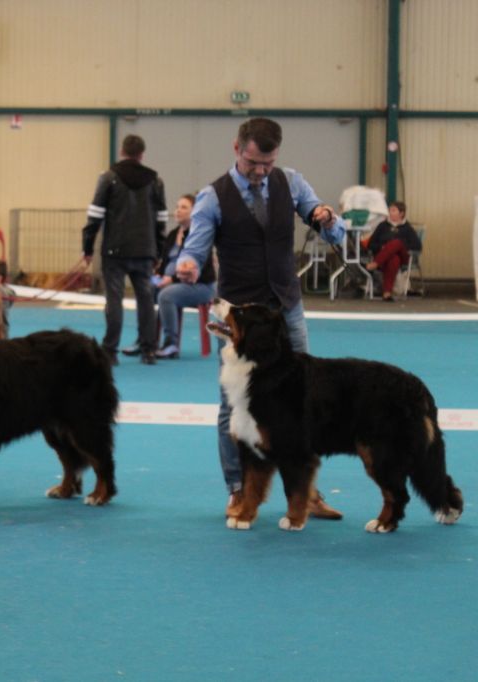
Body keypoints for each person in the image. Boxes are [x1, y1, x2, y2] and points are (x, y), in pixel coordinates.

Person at [175, 117, 346, 521]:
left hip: (286, 307)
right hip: (241, 317)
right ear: (237, 148)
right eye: (254, 162)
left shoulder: (292, 182)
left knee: (300, 400)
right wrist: (187, 263)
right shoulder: (213, 197)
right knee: (233, 406)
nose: (261, 171)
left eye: (268, 164)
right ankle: (237, 490)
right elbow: (196, 246)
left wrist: (327, 218)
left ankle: (305, 492)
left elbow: (334, 234)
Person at [81, 134, 168, 366]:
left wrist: (87, 248)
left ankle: (110, 350)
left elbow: (95, 215)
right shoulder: (155, 181)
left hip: (114, 251)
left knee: (115, 300)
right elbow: (161, 220)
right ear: (142, 154)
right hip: (145, 251)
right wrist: (158, 252)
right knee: (146, 300)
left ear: (122, 151)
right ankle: (149, 350)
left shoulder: (109, 177)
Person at [154, 194, 216, 359]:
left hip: (200, 286)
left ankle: (171, 344)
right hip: (171, 284)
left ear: (194, 211)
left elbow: (200, 270)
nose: (178, 211)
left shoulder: (200, 235)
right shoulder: (172, 234)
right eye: (177, 207)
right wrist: (158, 276)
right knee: (145, 290)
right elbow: (164, 262)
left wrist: (172, 279)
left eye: (183, 207)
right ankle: (146, 341)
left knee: (166, 295)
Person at [364, 200, 423, 301]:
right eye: (390, 210)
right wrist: (382, 248)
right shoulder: (382, 226)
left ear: (401, 213)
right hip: (386, 258)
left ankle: (375, 263)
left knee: (397, 243)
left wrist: (401, 246)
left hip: (403, 256)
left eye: (393, 210)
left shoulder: (407, 228)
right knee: (394, 259)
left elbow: (417, 246)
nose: (390, 212)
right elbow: (371, 244)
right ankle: (387, 293)